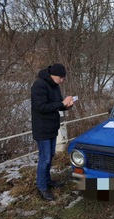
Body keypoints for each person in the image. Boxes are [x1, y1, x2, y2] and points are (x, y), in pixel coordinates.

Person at [31, 63, 74, 201]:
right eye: (61, 77)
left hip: (52, 127)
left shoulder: (55, 86)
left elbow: (57, 105)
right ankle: (41, 187)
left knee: (50, 156)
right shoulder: (39, 85)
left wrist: (67, 105)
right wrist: (61, 104)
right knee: (44, 159)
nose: (62, 80)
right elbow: (41, 107)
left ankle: (47, 180)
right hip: (42, 128)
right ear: (53, 75)